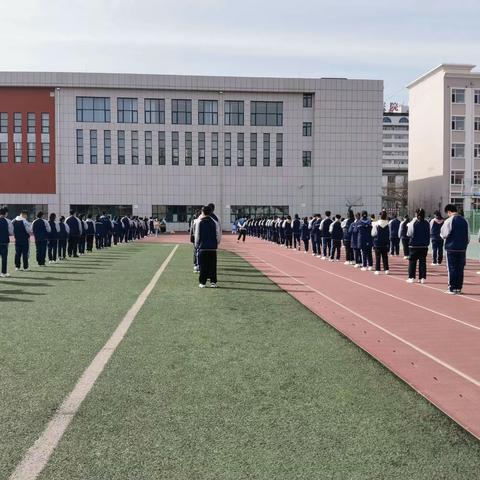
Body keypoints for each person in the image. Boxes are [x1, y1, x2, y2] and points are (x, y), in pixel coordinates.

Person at [441, 204, 470, 294]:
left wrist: (442, 236)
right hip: (462, 249)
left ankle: (452, 288)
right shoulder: (465, 221)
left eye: (447, 213)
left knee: (451, 268)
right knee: (460, 268)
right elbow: (468, 237)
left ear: (449, 211)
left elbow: (444, 234)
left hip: (451, 248)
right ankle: (458, 288)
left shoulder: (449, 221)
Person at [195, 205, 220, 288]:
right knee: (212, 265)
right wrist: (216, 243)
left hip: (203, 247)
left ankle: (202, 283)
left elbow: (197, 235)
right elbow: (218, 235)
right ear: (210, 212)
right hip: (213, 248)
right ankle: (213, 282)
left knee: (203, 266)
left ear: (203, 212)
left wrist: (197, 245)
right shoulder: (215, 222)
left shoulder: (199, 222)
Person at [406, 208, 430, 284]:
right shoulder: (427, 223)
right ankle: (422, 278)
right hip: (424, 246)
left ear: (416, 214)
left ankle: (411, 277)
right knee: (422, 262)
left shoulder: (413, 222)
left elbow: (409, 234)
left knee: (412, 262)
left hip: (414, 246)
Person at [0, 207, 13, 278]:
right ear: (5, 213)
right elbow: (11, 232)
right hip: (4, 242)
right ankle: (3, 272)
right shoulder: (8, 221)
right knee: (4, 258)